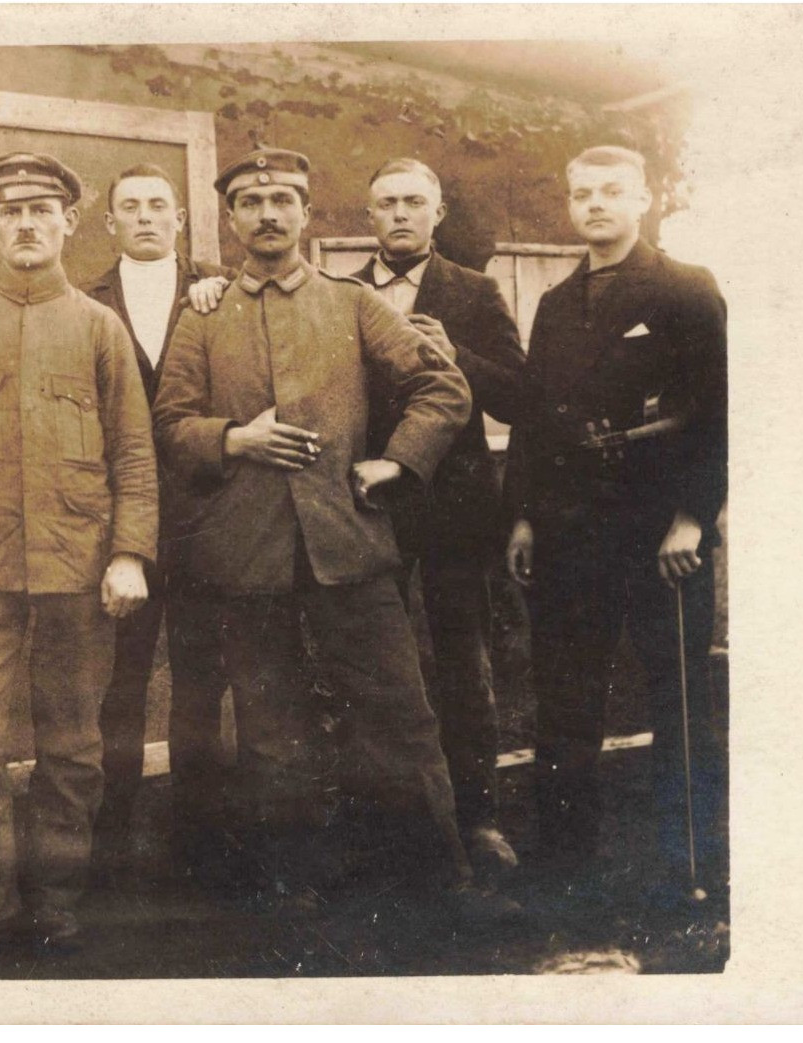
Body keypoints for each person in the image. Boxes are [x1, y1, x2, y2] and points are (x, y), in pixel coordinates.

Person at [153, 147, 513, 917]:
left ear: (306, 212)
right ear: (230, 218)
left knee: (399, 716)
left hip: (348, 547)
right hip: (245, 555)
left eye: (282, 198)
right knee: (270, 728)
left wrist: (396, 465)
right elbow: (169, 423)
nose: (267, 214)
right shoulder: (201, 315)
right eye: (250, 202)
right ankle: (297, 882)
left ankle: (439, 878)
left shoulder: (351, 303)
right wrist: (230, 439)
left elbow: (441, 386)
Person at [0, 152, 158, 959]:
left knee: (71, 746)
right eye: (10, 211)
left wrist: (128, 553)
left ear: (66, 224)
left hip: (76, 572)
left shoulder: (97, 326)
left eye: (41, 211)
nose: (25, 224)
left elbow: (132, 451)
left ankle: (55, 901)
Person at [502, 145, 728, 906]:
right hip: (569, 534)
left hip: (659, 535)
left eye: (610, 191)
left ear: (642, 199)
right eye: (581, 193)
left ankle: (688, 864)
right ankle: (565, 864)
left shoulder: (686, 290)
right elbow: (534, 420)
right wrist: (526, 517)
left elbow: (718, 412)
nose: (594, 204)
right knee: (565, 699)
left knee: (678, 697)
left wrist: (692, 519)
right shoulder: (556, 303)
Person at [351, 157, 527, 881]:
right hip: (371, 499)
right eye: (386, 202)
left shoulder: (473, 290)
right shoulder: (340, 293)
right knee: (373, 662)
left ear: (437, 211)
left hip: (455, 506)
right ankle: (385, 816)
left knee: (463, 662)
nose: (399, 214)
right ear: (369, 217)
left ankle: (478, 815)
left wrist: (456, 353)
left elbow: (519, 394)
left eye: (413, 202)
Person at [78, 163, 233, 884]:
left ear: (179, 218)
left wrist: (220, 293)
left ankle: (199, 837)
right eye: (129, 206)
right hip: (119, 524)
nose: (144, 217)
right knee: (121, 682)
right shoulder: (82, 299)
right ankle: (110, 838)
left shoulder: (217, 290)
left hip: (205, 516)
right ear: (110, 223)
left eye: (157, 206)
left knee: (202, 678)